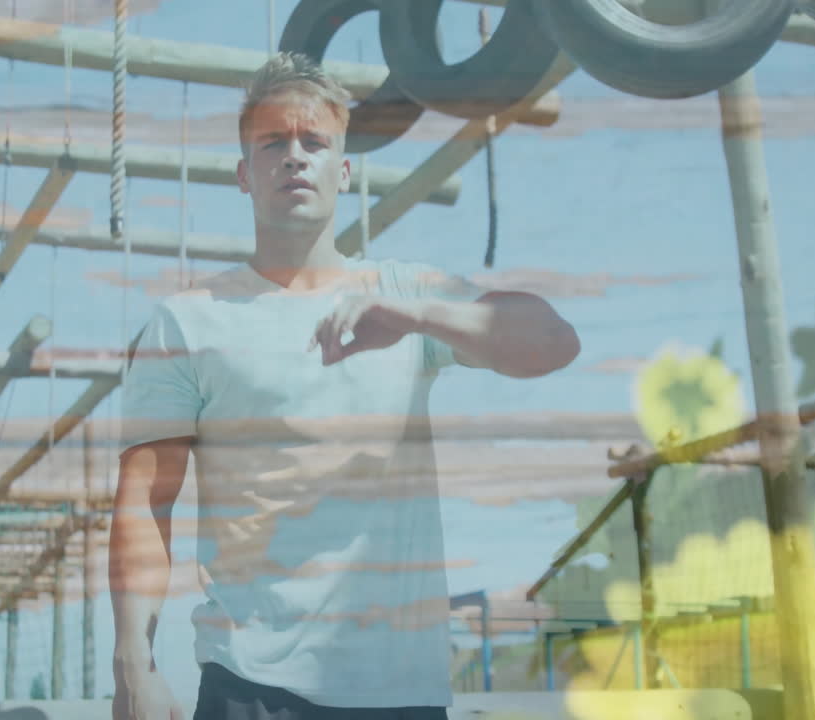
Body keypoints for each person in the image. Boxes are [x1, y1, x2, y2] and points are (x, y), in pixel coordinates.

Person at [110, 52, 579, 720]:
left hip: (402, 696)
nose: (295, 157)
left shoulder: (405, 293)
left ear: (345, 171)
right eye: (273, 143)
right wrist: (134, 667)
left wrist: (419, 315)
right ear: (245, 174)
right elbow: (143, 505)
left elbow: (555, 341)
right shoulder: (187, 321)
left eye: (315, 142)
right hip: (250, 690)